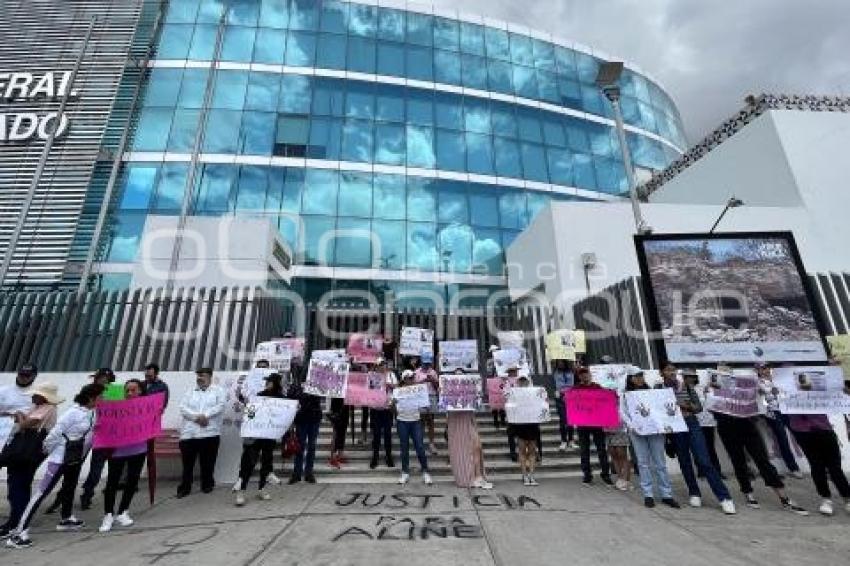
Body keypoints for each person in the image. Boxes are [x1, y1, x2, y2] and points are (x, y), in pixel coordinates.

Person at [6, 383, 104, 549]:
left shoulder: (92, 412)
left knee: (70, 487)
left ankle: (66, 518)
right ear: (90, 397)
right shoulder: (73, 413)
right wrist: (53, 451)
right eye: (100, 396)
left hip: (75, 458)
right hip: (60, 459)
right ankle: (18, 532)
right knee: (42, 493)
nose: (103, 399)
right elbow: (54, 434)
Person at [708, 365, 808, 516]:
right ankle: (748, 493)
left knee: (762, 459)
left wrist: (759, 388)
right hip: (727, 428)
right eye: (721, 370)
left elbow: (763, 394)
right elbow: (711, 408)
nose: (724, 373)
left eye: (727, 370)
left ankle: (784, 497)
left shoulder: (746, 385)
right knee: (738, 461)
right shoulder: (713, 388)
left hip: (747, 425)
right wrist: (712, 395)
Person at [659, 364, 736, 514]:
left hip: (691, 423)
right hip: (675, 427)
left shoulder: (686, 386)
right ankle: (694, 492)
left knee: (703, 460)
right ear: (661, 373)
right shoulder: (658, 387)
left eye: (673, 370)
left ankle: (724, 497)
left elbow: (698, 407)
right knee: (684, 460)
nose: (671, 373)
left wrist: (686, 406)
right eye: (668, 370)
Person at [0, 382, 61, 538]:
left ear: (43, 397)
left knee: (17, 486)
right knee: (19, 485)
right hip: (25, 453)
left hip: (26, 452)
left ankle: (15, 523)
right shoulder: (38, 408)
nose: (32, 396)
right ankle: (17, 519)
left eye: (35, 394)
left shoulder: (47, 409)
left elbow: (25, 423)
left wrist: (19, 416)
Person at [786, 376, 850, 516]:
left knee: (835, 468)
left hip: (823, 428)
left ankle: (847, 499)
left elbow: (843, 395)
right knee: (817, 466)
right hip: (803, 431)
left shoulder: (820, 382)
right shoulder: (785, 383)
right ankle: (826, 499)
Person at [99, 379, 150, 532]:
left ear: (140, 391)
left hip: (138, 449)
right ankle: (108, 514)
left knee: (132, 481)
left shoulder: (147, 406)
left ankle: (123, 511)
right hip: (117, 450)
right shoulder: (114, 404)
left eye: (134, 390)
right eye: (127, 390)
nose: (130, 393)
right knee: (112, 483)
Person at [623, 371, 679, 508]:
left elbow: (660, 409)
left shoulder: (652, 392)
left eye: (641, 376)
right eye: (636, 376)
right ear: (631, 379)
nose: (639, 379)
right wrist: (632, 425)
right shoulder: (626, 395)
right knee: (643, 463)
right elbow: (622, 412)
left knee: (660, 462)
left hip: (654, 430)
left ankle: (666, 494)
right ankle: (648, 494)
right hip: (637, 432)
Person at [234, 373, 285, 506]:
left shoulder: (282, 398)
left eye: (269, 381)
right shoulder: (259, 395)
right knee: (248, 463)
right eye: (266, 381)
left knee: (267, 464)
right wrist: (246, 405)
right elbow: (251, 413)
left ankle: (262, 489)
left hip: (269, 437)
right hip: (255, 436)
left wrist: (295, 408)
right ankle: (241, 491)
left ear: (276, 383)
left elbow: (287, 412)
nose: (267, 383)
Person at [176, 368, 224, 498]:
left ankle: (207, 484)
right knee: (187, 465)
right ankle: (185, 487)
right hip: (189, 434)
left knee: (208, 462)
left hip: (210, 433)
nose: (199, 378)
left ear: (209, 377)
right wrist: (197, 418)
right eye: (198, 376)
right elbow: (182, 408)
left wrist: (205, 415)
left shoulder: (218, 391)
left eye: (202, 375)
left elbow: (220, 406)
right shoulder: (190, 391)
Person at [78, 367, 117, 510]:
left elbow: (118, 412)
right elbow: (80, 407)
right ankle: (63, 494)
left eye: (106, 378)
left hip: (105, 434)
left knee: (97, 468)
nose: (103, 380)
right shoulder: (88, 388)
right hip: (86, 431)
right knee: (75, 464)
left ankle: (87, 494)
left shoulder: (114, 391)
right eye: (101, 377)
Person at [446, 369, 493, 490]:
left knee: (477, 447)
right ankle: (469, 477)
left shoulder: (469, 391)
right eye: (457, 376)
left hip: (468, 419)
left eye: (462, 375)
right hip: (456, 422)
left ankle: (478, 476)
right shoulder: (448, 391)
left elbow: (474, 408)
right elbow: (445, 406)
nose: (459, 378)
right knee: (462, 449)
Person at [757, 363, 803, 478]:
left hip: (787, 410)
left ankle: (817, 464)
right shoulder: (758, 382)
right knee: (783, 439)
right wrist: (771, 391)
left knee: (800, 435)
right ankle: (793, 468)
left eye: (766, 368)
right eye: (762, 369)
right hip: (772, 413)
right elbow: (763, 396)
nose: (765, 370)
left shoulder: (779, 378)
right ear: (758, 370)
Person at [572, 367, 613, 486]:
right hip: (582, 424)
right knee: (584, 450)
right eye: (582, 374)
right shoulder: (575, 389)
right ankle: (587, 475)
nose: (584, 376)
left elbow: (606, 400)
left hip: (597, 423)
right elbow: (569, 402)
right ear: (579, 377)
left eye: (586, 373)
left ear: (590, 375)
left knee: (601, 450)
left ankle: (606, 474)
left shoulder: (597, 387)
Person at [393, 370, 433, 485]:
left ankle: (425, 472)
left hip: (416, 421)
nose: (411, 380)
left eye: (412, 377)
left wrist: (426, 408)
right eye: (408, 378)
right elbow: (393, 410)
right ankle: (405, 472)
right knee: (404, 448)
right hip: (402, 422)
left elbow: (426, 407)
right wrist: (393, 405)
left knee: (420, 447)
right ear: (404, 379)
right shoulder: (397, 392)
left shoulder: (419, 390)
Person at [684, 371, 725, 479]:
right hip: (695, 422)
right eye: (688, 377)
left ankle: (717, 471)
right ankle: (701, 471)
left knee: (710, 447)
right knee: (697, 448)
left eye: (693, 377)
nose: (691, 379)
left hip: (708, 422)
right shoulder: (684, 390)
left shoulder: (702, 388)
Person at [287, 368, 322, 484]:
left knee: (311, 446)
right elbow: (291, 398)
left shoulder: (317, 386)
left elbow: (318, 399)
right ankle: (297, 473)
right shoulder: (296, 386)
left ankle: (309, 472)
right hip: (301, 420)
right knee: (300, 446)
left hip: (314, 418)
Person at [512, 376, 542, 486]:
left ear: (528, 382)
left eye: (525, 381)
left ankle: (531, 475)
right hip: (520, 425)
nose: (523, 383)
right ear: (518, 382)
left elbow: (541, 404)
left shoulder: (534, 393)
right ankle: (524, 475)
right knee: (522, 451)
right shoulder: (514, 394)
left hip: (533, 424)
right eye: (521, 381)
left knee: (532, 451)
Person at [369, 358, 397, 469]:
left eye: (384, 364)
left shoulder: (391, 375)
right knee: (376, 434)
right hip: (375, 409)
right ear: (376, 366)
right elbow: (368, 388)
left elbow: (397, 387)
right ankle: (375, 456)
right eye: (380, 364)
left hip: (387, 409)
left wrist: (389, 385)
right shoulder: (372, 375)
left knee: (387, 434)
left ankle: (388, 456)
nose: (382, 366)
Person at [413, 356, 440, 455]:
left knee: (430, 421)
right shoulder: (416, 372)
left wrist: (432, 380)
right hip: (420, 398)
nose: (426, 365)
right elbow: (413, 386)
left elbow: (438, 387)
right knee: (420, 421)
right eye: (425, 363)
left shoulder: (433, 372)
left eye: (428, 363)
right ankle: (419, 443)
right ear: (421, 362)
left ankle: (431, 443)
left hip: (431, 397)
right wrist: (422, 381)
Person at [552, 360, 577, 451]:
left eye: (562, 362)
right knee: (563, 419)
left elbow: (574, 383)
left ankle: (571, 440)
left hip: (571, 395)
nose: (560, 364)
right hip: (560, 396)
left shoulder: (571, 372)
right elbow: (554, 384)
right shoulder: (555, 372)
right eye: (559, 362)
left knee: (571, 419)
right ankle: (563, 440)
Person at [327, 396, 349, 469]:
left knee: (343, 432)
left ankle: (340, 455)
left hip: (345, 407)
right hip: (336, 408)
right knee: (336, 434)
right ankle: (332, 457)